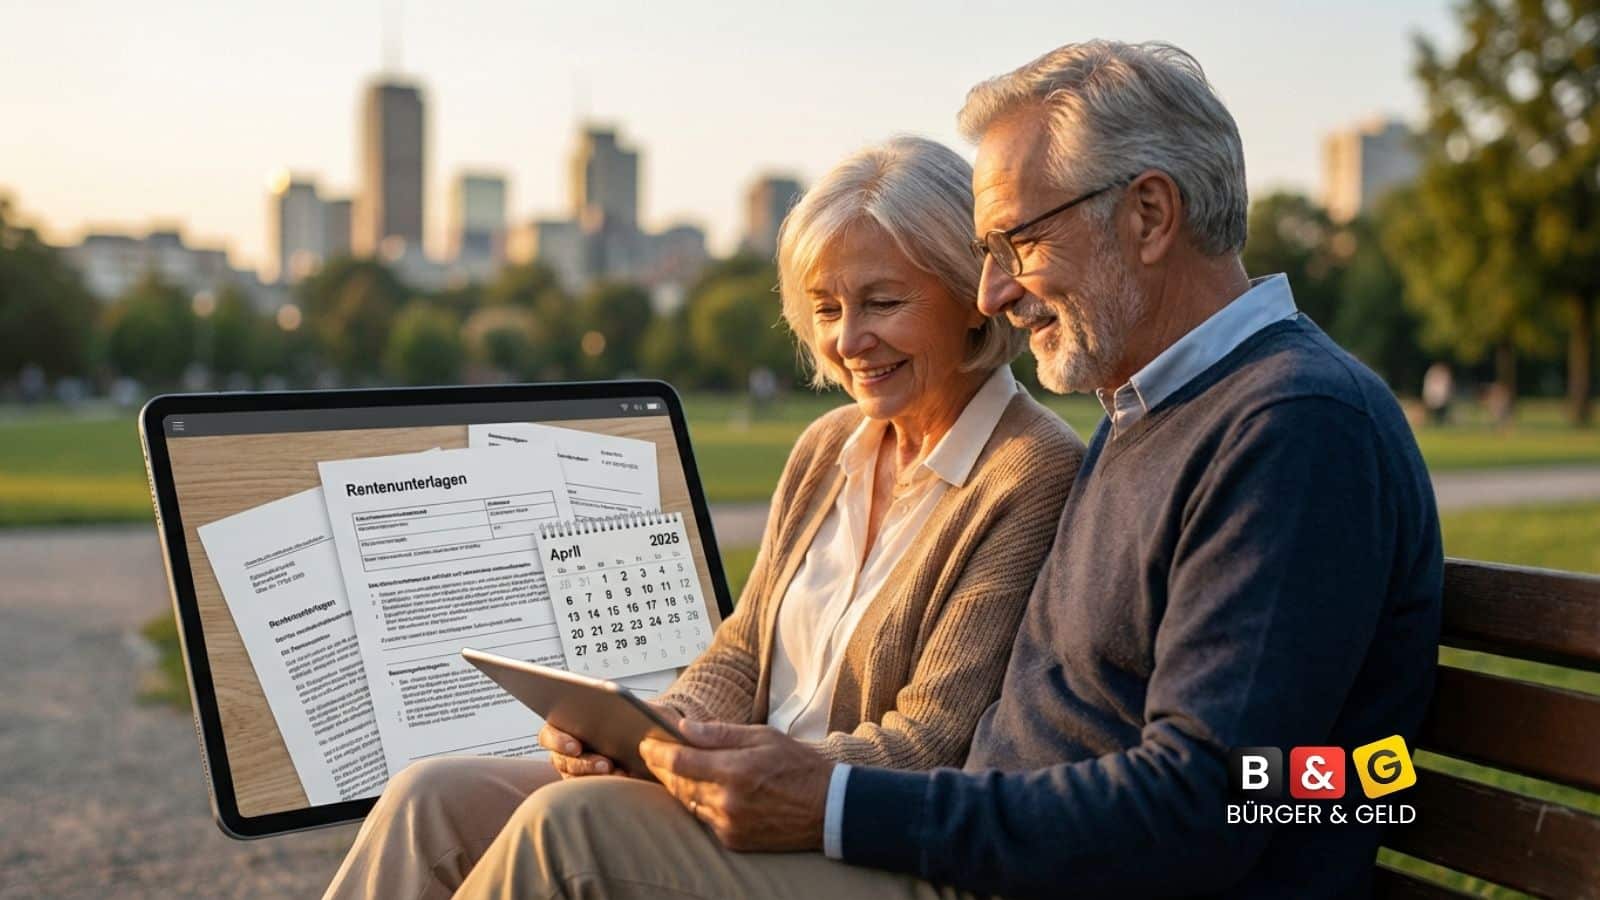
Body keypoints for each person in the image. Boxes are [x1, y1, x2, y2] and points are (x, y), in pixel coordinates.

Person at [448, 40, 1444, 900]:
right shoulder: (1153, 412)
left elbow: (1210, 802)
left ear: (1147, 215)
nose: (994, 291)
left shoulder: (1292, 428)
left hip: (993, 875)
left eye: (1017, 241)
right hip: (976, 860)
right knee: (447, 803)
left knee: (571, 837)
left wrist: (831, 801)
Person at [322, 135, 1085, 900]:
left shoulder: (1031, 472)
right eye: (826, 309)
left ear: (972, 294)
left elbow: (932, 744)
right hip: (733, 796)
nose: (849, 340)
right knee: (430, 799)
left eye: (883, 303)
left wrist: (734, 768)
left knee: (570, 826)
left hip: (864, 844)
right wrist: (651, 732)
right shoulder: (828, 447)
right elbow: (743, 654)